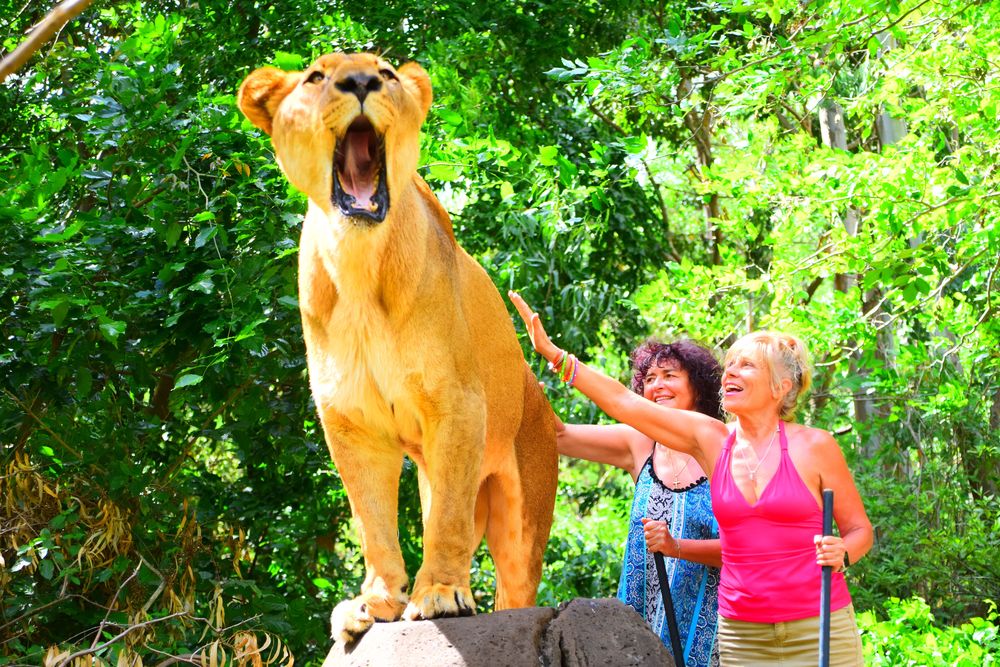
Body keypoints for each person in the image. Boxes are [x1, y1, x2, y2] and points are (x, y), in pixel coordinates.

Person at [509, 291, 873, 667]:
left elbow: (860, 529)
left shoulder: (816, 447)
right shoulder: (713, 440)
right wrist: (554, 354)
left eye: (745, 365)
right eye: (729, 364)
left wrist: (844, 552)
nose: (730, 372)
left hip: (818, 626)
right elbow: (623, 403)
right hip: (742, 631)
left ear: (780, 387)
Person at [555, 339, 724, 666]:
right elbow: (558, 437)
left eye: (669, 375)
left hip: (715, 630)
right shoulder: (639, 443)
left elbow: (748, 548)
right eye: (649, 379)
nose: (658, 385)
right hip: (639, 628)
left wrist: (676, 546)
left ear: (698, 385)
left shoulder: (723, 445)